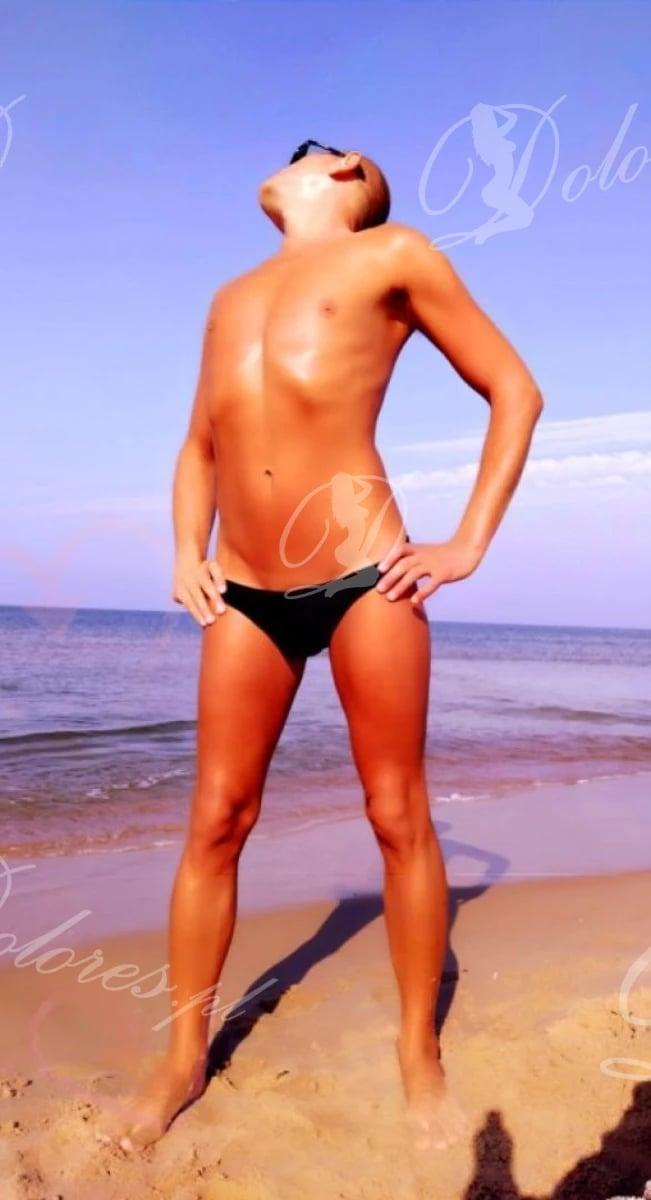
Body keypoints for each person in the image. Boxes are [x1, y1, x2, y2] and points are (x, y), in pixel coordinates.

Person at [96, 138, 543, 1154]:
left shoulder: (394, 253)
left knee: (396, 812)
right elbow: (199, 444)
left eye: (303, 149)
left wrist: (467, 542)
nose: (281, 161)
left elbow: (515, 390)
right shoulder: (228, 297)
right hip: (244, 591)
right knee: (216, 819)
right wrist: (184, 550)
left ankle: (417, 1051)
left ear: (346, 171)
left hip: (363, 576)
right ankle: (182, 1060)